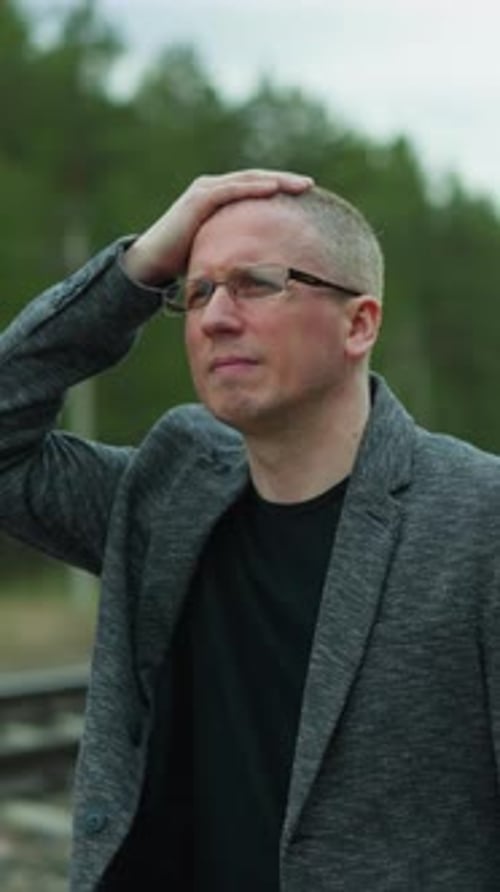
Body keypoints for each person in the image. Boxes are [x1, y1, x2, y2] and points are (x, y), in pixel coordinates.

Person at [1, 169, 500, 892]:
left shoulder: (477, 520)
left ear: (359, 323)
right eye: (197, 291)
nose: (214, 318)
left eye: (257, 283)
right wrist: (138, 269)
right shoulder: (169, 490)